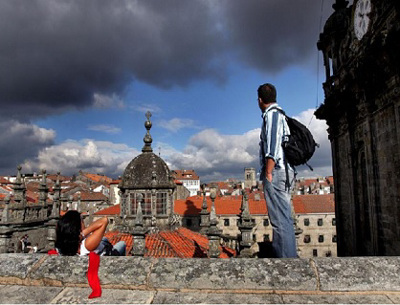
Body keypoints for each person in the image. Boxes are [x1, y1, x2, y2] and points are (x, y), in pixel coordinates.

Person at [257, 83, 297, 258]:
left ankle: (286, 262)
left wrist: (268, 173)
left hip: (277, 172)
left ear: (260, 100)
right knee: (285, 219)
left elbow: (272, 147)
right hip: (286, 172)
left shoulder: (272, 115)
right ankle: (289, 257)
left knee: (279, 221)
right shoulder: (281, 114)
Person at [55, 210, 126, 256]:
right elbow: (104, 220)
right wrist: (83, 233)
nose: (84, 223)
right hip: (109, 253)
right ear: (78, 225)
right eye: (82, 221)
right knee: (122, 243)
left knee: (104, 239)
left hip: (102, 245)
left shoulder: (61, 247)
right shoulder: (87, 245)